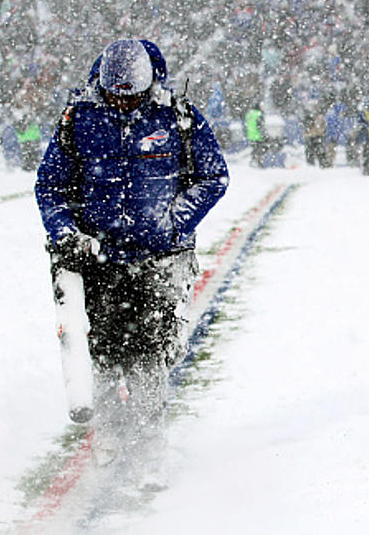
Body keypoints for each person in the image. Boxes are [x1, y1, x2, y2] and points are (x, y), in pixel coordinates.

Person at [35, 38, 229, 477]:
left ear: (149, 85)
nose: (123, 104)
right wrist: (65, 231)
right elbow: (50, 187)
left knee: (149, 354)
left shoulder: (177, 116)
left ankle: (149, 441)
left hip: (159, 259)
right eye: (114, 96)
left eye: (133, 96)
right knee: (102, 352)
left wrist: (174, 221)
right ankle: (109, 430)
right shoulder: (77, 119)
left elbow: (214, 176)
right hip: (97, 259)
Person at [244, 103, 265, 167]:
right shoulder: (258, 114)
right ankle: (259, 163)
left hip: (250, 135)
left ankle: (253, 161)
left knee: (254, 149)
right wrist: (263, 134)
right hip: (257, 135)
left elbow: (246, 124)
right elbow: (260, 126)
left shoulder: (249, 114)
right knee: (259, 150)